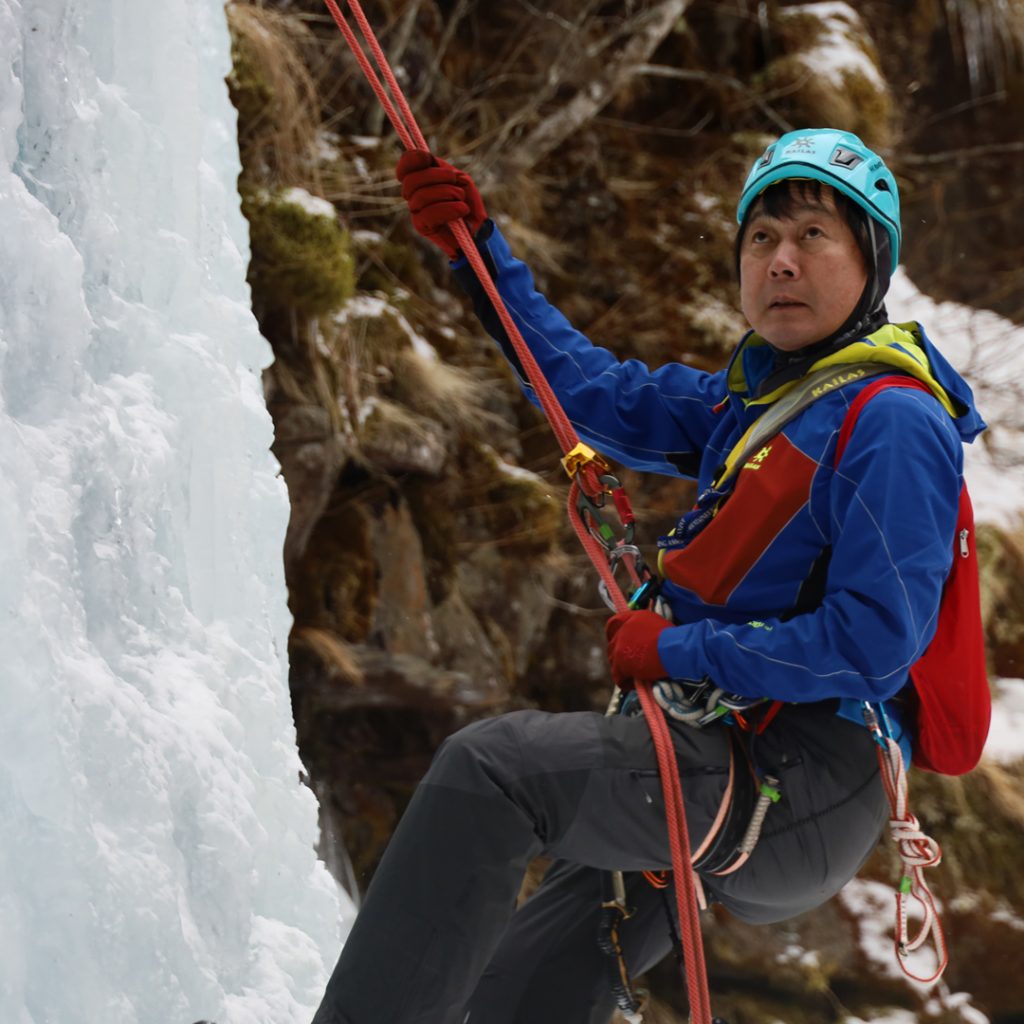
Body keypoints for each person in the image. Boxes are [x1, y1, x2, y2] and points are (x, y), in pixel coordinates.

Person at [312, 129, 986, 1024]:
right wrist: (482, 260)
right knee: (525, 995)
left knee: (496, 772)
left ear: (872, 262)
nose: (781, 261)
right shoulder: (752, 403)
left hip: (806, 775)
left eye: (814, 237)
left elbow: (869, 646)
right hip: (723, 751)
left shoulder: (893, 421)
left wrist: (681, 647)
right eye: (760, 239)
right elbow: (589, 391)